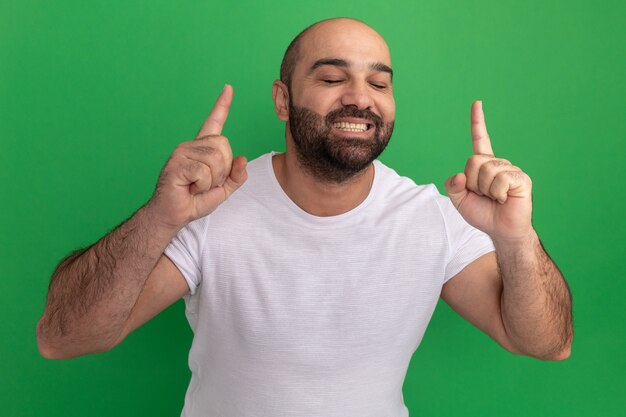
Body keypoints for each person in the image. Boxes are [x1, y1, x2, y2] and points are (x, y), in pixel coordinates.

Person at [36, 17, 573, 417]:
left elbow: (547, 343)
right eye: (333, 77)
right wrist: (160, 217)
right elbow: (62, 338)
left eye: (379, 83)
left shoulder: (432, 215)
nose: (360, 99)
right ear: (282, 99)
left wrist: (516, 238)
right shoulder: (212, 207)